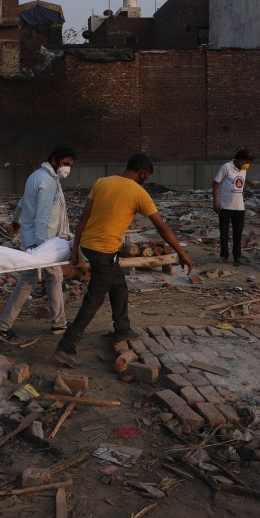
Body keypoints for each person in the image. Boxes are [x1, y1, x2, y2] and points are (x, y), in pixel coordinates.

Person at [53, 153, 195, 368]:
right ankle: (66, 346)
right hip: (104, 251)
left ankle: (122, 328)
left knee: (118, 285)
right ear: (142, 173)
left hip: (90, 246)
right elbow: (161, 227)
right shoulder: (139, 192)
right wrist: (181, 253)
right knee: (94, 299)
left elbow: (84, 217)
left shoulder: (102, 182)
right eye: (145, 176)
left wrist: (75, 249)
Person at [0, 147, 76, 345]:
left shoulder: (36, 176)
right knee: (29, 281)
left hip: (34, 241)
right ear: (54, 160)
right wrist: (43, 250)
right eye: (65, 164)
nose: (67, 168)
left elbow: (23, 201)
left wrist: (16, 219)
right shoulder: (48, 182)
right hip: (42, 242)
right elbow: (43, 217)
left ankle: (59, 323)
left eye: (70, 165)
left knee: (54, 277)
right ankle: (2, 326)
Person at [213, 149, 253, 267]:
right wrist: (215, 201)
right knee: (224, 232)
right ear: (239, 160)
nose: (247, 165)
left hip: (239, 207)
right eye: (245, 162)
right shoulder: (226, 167)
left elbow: (241, 187)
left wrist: (242, 201)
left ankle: (237, 256)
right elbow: (216, 183)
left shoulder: (243, 170)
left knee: (238, 232)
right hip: (225, 206)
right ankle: (224, 256)